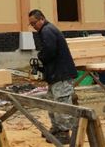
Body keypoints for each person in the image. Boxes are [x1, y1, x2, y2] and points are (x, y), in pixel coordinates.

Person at [28, 9, 77, 145]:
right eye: (31, 24)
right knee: (51, 102)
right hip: (55, 74)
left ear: (42, 19)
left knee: (61, 103)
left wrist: (40, 57)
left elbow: (50, 50)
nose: (33, 26)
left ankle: (64, 132)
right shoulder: (46, 30)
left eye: (34, 23)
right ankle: (56, 128)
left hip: (61, 74)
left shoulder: (47, 30)